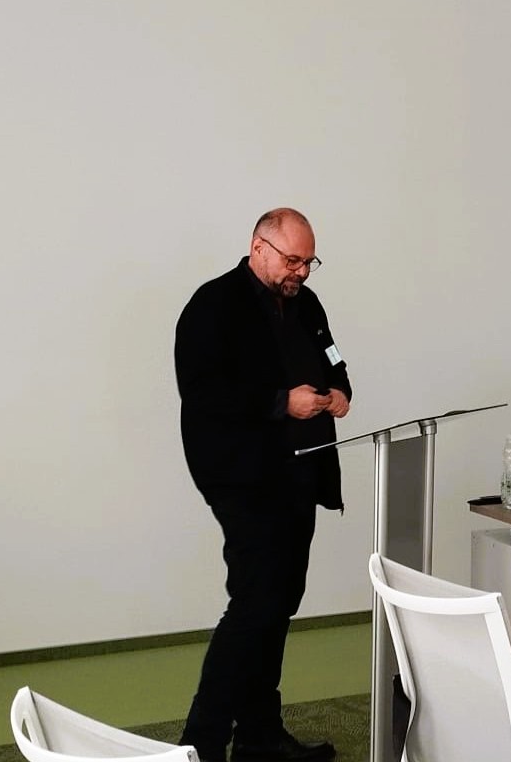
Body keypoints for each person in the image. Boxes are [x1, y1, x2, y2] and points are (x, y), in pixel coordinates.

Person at [174, 208, 351, 762]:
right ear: (258, 248)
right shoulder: (213, 305)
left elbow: (333, 358)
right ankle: (200, 743)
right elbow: (202, 392)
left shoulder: (308, 305)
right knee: (256, 602)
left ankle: (259, 735)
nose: (301, 272)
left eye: (309, 262)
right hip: (241, 476)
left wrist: (340, 390)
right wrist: (280, 402)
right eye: (292, 260)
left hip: (301, 470)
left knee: (279, 602)